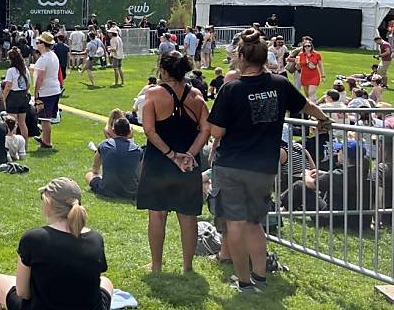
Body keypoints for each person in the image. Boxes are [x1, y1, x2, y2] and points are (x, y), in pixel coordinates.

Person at [209, 28, 332, 292]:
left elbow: (216, 131)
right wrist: (323, 119)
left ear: (241, 57)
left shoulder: (231, 89)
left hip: (232, 164)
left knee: (236, 224)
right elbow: (307, 106)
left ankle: (243, 282)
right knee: (255, 224)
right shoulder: (280, 84)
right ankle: (261, 278)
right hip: (263, 167)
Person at [135, 51, 210, 273]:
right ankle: (187, 266)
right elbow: (206, 129)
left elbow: (149, 130)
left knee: (157, 214)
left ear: (163, 69)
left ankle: (156, 265)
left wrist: (170, 155)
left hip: (159, 162)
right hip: (189, 163)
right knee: (188, 217)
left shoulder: (153, 94)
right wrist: (188, 154)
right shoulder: (197, 96)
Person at [0, 178, 113, 310]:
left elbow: (23, 293)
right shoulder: (96, 238)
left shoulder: (33, 238)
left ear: (49, 204)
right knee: (106, 282)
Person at [85, 116, 142, 200]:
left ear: (113, 130)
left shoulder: (104, 145)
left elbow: (95, 169)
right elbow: (140, 175)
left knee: (89, 175)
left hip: (106, 190)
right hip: (131, 192)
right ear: (129, 131)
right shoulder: (138, 150)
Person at [33, 32, 62, 150]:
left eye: (38, 43)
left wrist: (36, 92)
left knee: (45, 119)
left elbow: (40, 78)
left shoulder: (43, 59)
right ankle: (45, 138)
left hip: (46, 91)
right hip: (54, 89)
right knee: (47, 117)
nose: (37, 45)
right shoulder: (53, 56)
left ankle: (47, 142)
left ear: (43, 44)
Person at [2, 48, 31, 145]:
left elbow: (8, 86)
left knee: (12, 123)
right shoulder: (25, 69)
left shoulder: (11, 70)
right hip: (23, 95)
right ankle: (25, 144)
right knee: (22, 123)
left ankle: (13, 145)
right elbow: (28, 84)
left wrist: (4, 98)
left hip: (13, 96)